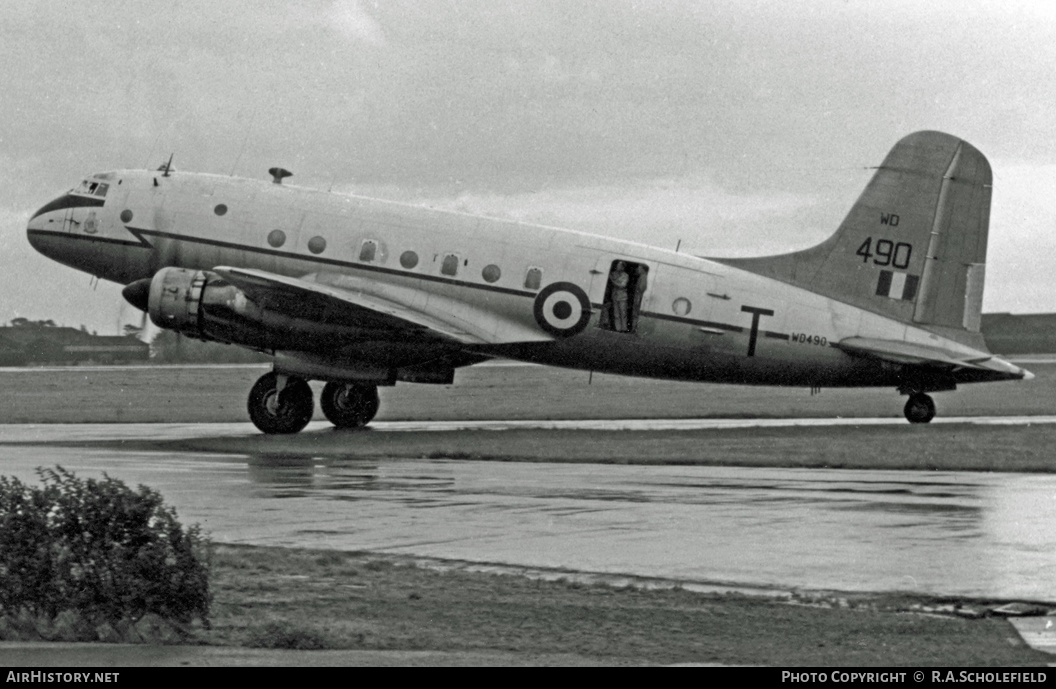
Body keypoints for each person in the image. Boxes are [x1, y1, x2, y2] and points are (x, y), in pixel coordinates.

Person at [609, 261, 630, 332]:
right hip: (615, 295)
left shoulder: (625, 275)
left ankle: (624, 329)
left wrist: (612, 281)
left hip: (622, 296)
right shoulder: (613, 273)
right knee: (616, 313)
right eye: (617, 265)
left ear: (623, 267)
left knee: (623, 313)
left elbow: (622, 285)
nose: (617, 267)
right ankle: (618, 329)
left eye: (619, 266)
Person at [629, 265, 648, 333]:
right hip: (638, 297)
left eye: (639, 268)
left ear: (643, 269)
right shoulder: (643, 276)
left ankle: (634, 329)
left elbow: (641, 288)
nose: (638, 269)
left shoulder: (643, 277)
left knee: (635, 314)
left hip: (638, 297)